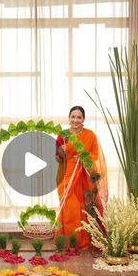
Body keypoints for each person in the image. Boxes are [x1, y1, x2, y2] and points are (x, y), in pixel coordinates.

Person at [55, 106, 108, 250]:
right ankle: (68, 241)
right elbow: (57, 158)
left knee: (84, 206)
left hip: (85, 175)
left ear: (83, 119)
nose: (75, 120)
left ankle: (82, 241)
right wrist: (61, 151)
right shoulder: (63, 135)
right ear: (69, 118)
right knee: (68, 207)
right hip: (67, 175)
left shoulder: (90, 135)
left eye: (79, 117)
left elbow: (95, 155)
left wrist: (84, 157)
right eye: (73, 117)